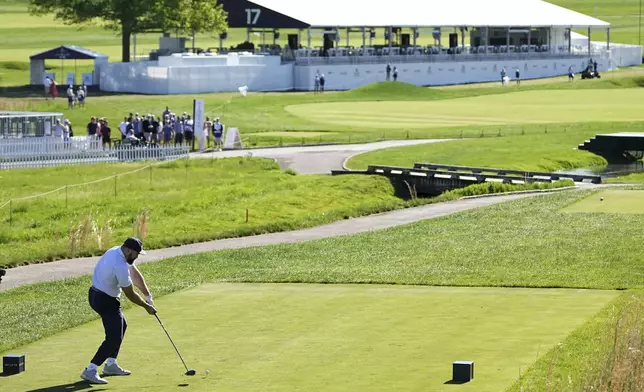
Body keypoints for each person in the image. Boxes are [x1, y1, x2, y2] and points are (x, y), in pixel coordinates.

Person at [80, 237, 157, 385]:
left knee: (123, 325)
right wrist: (147, 307)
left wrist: (148, 295)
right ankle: (90, 370)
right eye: (135, 254)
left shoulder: (117, 252)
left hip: (98, 295)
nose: (136, 257)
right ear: (128, 250)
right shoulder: (119, 265)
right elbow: (130, 294)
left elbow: (134, 274)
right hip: (104, 300)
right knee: (114, 337)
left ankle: (111, 364)